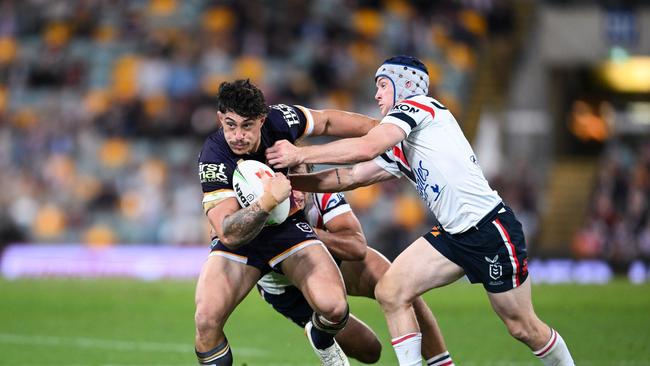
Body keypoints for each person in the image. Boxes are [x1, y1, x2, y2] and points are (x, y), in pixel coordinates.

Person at [265, 55, 576, 366]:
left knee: (522, 327)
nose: (377, 95)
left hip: (489, 228)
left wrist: (298, 153)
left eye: (383, 86)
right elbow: (350, 176)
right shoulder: (403, 141)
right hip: (454, 235)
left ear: (405, 86)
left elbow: (365, 148)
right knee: (391, 291)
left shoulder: (420, 107)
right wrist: (291, 182)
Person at [195, 78, 393, 366]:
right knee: (206, 321)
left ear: (262, 120)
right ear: (219, 119)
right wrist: (267, 201)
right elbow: (228, 233)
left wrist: (384, 129)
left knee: (334, 308)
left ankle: (321, 336)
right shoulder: (213, 156)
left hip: (288, 231)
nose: (238, 135)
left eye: (247, 125)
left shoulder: (280, 120)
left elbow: (325, 122)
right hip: (243, 242)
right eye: (230, 125)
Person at [256, 163, 454, 365]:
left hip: (327, 255)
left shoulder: (320, 194)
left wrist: (304, 233)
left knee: (399, 285)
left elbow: (356, 246)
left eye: (296, 172)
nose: (291, 185)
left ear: (308, 171)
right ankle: (318, 331)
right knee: (369, 350)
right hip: (287, 286)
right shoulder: (260, 202)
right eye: (282, 176)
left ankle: (442, 364)